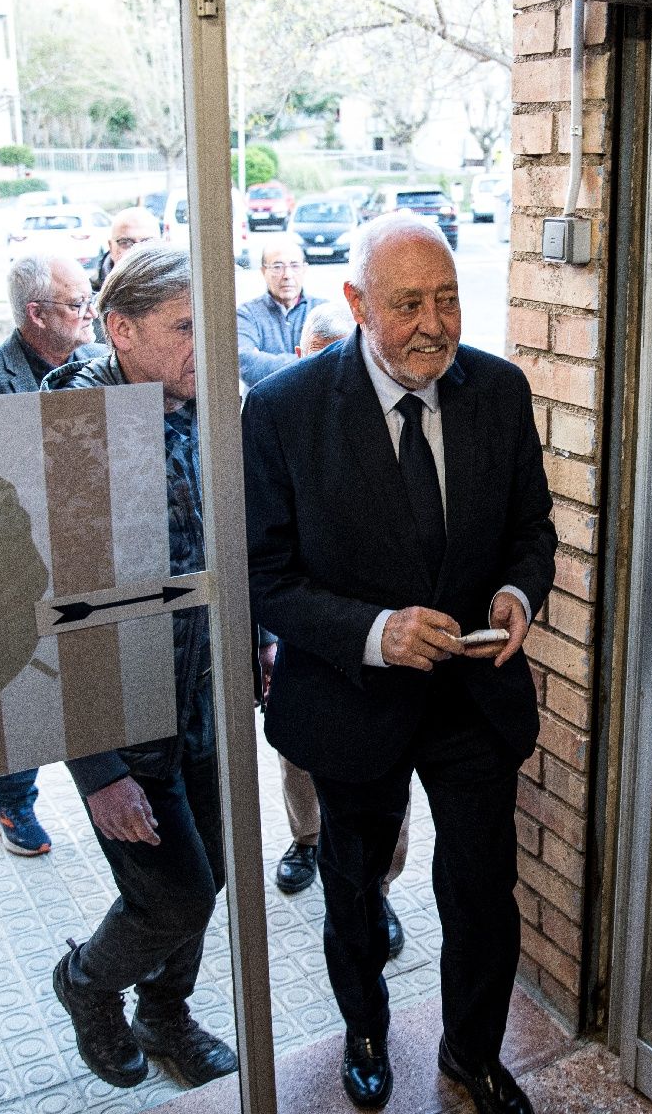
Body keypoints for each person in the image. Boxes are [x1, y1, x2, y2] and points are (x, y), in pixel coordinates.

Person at [245, 213, 556, 1113]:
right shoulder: (283, 410)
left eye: (448, 299)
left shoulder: (499, 390)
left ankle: (470, 1050)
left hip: (473, 696)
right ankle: (367, 1030)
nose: (434, 324)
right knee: (353, 882)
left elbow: (531, 530)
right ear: (355, 304)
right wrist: (376, 632)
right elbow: (267, 579)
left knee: (482, 891)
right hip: (352, 702)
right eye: (409, 303)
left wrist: (517, 596)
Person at [42, 245, 237, 1092]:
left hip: (202, 698)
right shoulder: (68, 441)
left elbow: (217, 553)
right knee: (175, 896)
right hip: (123, 722)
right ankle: (86, 982)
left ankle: (165, 1015)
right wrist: (97, 768)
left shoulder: (205, 406)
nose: (210, 343)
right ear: (120, 330)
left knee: (214, 874)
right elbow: (48, 622)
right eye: (187, 326)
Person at [265, 300, 413, 963]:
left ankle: (378, 889)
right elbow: (263, 560)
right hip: (302, 643)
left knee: (384, 786)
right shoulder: (279, 417)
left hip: (377, 658)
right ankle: (305, 838)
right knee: (301, 756)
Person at [0, 253, 103, 858]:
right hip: (10, 565)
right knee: (20, 691)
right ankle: (12, 802)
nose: (89, 313)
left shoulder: (100, 365)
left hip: (87, 555)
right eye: (75, 304)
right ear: (36, 315)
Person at [235, 234, 325, 387]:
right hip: (264, 407)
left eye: (295, 266)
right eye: (277, 267)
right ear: (263, 271)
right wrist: (311, 361)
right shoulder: (246, 314)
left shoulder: (323, 311)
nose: (287, 275)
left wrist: (264, 360)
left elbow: (336, 364)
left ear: (304, 269)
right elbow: (246, 365)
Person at [94, 205, 163, 289]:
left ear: (161, 245)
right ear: (111, 247)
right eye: (126, 243)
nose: (138, 251)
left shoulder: (176, 289)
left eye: (147, 242)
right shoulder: (91, 294)